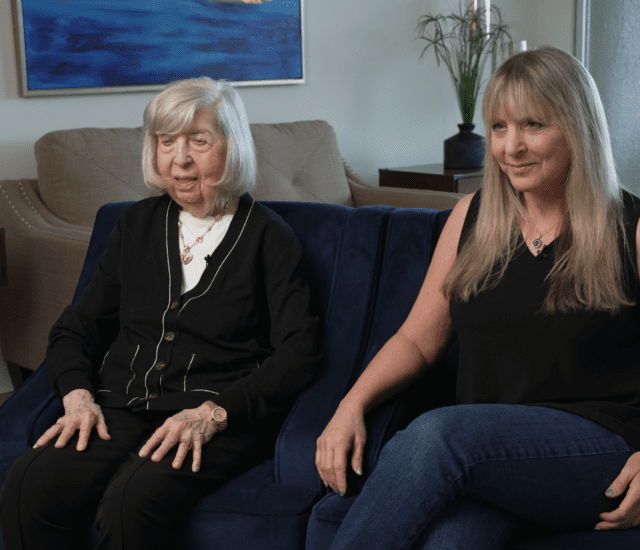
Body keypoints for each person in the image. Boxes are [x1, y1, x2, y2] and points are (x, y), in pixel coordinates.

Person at [316, 47, 640, 549]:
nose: (511, 147)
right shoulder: (473, 216)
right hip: (485, 459)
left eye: (534, 125)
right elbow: (418, 341)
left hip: (595, 451)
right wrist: (350, 405)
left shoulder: (631, 229)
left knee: (436, 435)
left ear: (577, 128)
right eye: (499, 127)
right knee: (451, 541)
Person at [0, 76, 323, 550]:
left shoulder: (269, 239)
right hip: (119, 406)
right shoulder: (135, 225)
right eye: (166, 141)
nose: (180, 159)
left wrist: (216, 413)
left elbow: (301, 351)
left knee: (131, 505)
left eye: (199, 141)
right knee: (29, 485)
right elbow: (78, 326)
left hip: (212, 415)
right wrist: (76, 396)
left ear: (231, 146)